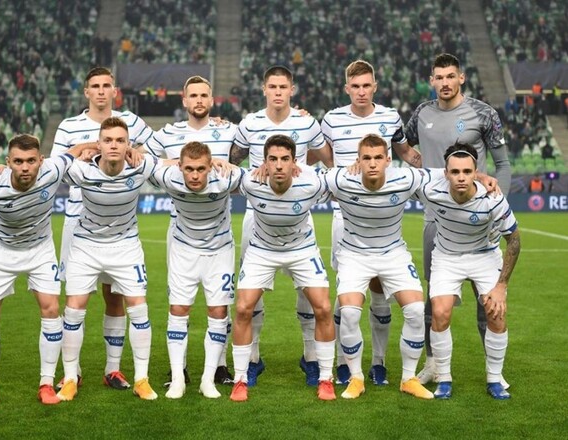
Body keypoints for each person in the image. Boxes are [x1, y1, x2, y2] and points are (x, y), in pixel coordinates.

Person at [405, 53, 512, 387]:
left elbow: (503, 164)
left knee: (487, 300)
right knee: (434, 300)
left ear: (461, 78)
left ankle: (494, 371)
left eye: (451, 76)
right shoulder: (422, 113)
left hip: (479, 221)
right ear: (432, 81)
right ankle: (433, 365)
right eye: (439, 77)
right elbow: (401, 145)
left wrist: (496, 209)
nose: (445, 83)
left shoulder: (483, 113)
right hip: (435, 220)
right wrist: (417, 162)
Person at [0, 134, 96, 407]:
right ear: (8, 162)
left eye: (30, 161)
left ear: (41, 160)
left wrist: (110, 147)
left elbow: (76, 149)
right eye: (18, 161)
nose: (25, 167)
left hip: (39, 249)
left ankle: (46, 384)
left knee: (51, 308)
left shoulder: (52, 170)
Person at [230, 65, 333, 387]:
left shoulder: (306, 122)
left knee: (308, 291)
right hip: (257, 215)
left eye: (283, 87)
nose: (277, 92)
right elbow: (233, 159)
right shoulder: (249, 123)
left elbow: (327, 157)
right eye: (272, 87)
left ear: (292, 90)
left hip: (297, 211)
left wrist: (300, 170)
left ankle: (311, 357)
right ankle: (253, 358)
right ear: (264, 89)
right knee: (251, 294)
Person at [321, 59, 423, 386]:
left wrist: (445, 165)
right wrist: (338, 173)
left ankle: (379, 362)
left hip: (382, 213)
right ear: (346, 88)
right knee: (346, 295)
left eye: (367, 85)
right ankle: (343, 362)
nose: (362, 91)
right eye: (356, 86)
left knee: (380, 293)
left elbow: (406, 153)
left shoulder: (390, 117)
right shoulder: (332, 119)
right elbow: (318, 155)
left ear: (375, 86)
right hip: (345, 215)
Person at [51, 67, 153, 391]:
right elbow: (53, 167)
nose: (100, 91)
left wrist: (136, 151)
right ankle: (73, 372)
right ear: (86, 91)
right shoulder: (69, 125)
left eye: (106, 85)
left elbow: (158, 150)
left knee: (115, 296)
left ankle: (113, 369)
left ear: (114, 90)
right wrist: (84, 148)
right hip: (78, 220)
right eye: (94, 86)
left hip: (118, 220)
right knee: (75, 300)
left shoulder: (131, 122)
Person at [141, 75, 237, 386]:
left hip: (219, 227)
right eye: (193, 95)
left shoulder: (228, 130)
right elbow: (141, 156)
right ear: (184, 101)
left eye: (204, 95)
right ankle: (178, 369)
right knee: (179, 302)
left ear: (212, 100)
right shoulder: (169, 133)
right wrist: (173, 163)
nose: (198, 100)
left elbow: (251, 149)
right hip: (180, 228)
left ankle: (220, 366)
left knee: (220, 303)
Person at [323, 134, 433, 400]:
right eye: (366, 158)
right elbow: (303, 177)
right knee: (349, 313)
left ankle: (408, 379)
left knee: (416, 310)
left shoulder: (406, 178)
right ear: (358, 161)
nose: (372, 163)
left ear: (388, 160)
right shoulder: (341, 179)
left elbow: (444, 175)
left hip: (393, 253)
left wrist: (481, 176)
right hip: (354, 254)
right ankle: (356, 378)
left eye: (377, 158)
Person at [415, 143, 520, 399]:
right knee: (440, 312)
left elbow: (514, 240)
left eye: (467, 171)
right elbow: (398, 178)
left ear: (475, 172)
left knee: (496, 313)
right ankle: (444, 379)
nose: (461, 177)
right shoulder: (431, 190)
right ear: (446, 173)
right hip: (447, 257)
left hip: (484, 256)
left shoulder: (492, 198)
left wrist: (501, 286)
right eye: (455, 172)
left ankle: (494, 379)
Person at [149, 141, 244, 399]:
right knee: (178, 310)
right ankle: (178, 379)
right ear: (179, 167)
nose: (194, 175)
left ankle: (207, 380)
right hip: (183, 252)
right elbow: (140, 161)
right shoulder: (168, 177)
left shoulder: (226, 178)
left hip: (220, 252)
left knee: (219, 312)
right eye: (189, 169)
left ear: (210, 167)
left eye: (201, 169)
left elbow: (259, 174)